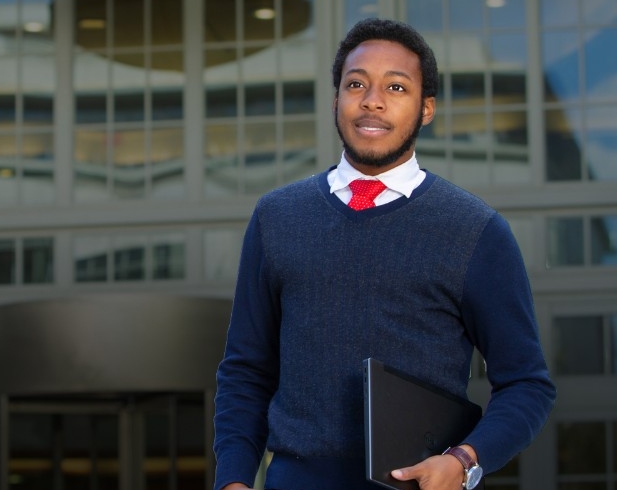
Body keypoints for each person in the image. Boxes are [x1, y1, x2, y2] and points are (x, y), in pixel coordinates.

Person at [212, 18, 556, 490]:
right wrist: (233, 479)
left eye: (396, 86)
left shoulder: (476, 231)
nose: (372, 99)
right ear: (336, 101)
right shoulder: (276, 218)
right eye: (356, 84)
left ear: (427, 109)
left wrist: (464, 461)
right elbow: (245, 371)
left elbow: (527, 384)